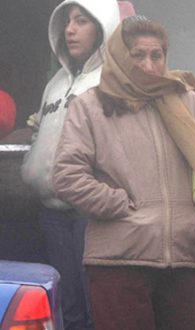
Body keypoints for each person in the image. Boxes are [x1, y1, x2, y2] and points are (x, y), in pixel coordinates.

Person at [51, 16, 195, 330]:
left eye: (156, 55)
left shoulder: (188, 103)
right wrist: (119, 205)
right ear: (120, 56)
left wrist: (194, 217)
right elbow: (67, 175)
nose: (149, 65)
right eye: (138, 55)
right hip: (120, 258)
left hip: (184, 256)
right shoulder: (91, 106)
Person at [20, 1, 119, 329]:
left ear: (102, 27)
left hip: (90, 215)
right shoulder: (56, 83)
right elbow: (40, 134)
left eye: (81, 21)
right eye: (66, 22)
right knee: (66, 306)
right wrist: (30, 165)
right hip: (51, 213)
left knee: (96, 308)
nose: (70, 30)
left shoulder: (113, 80)